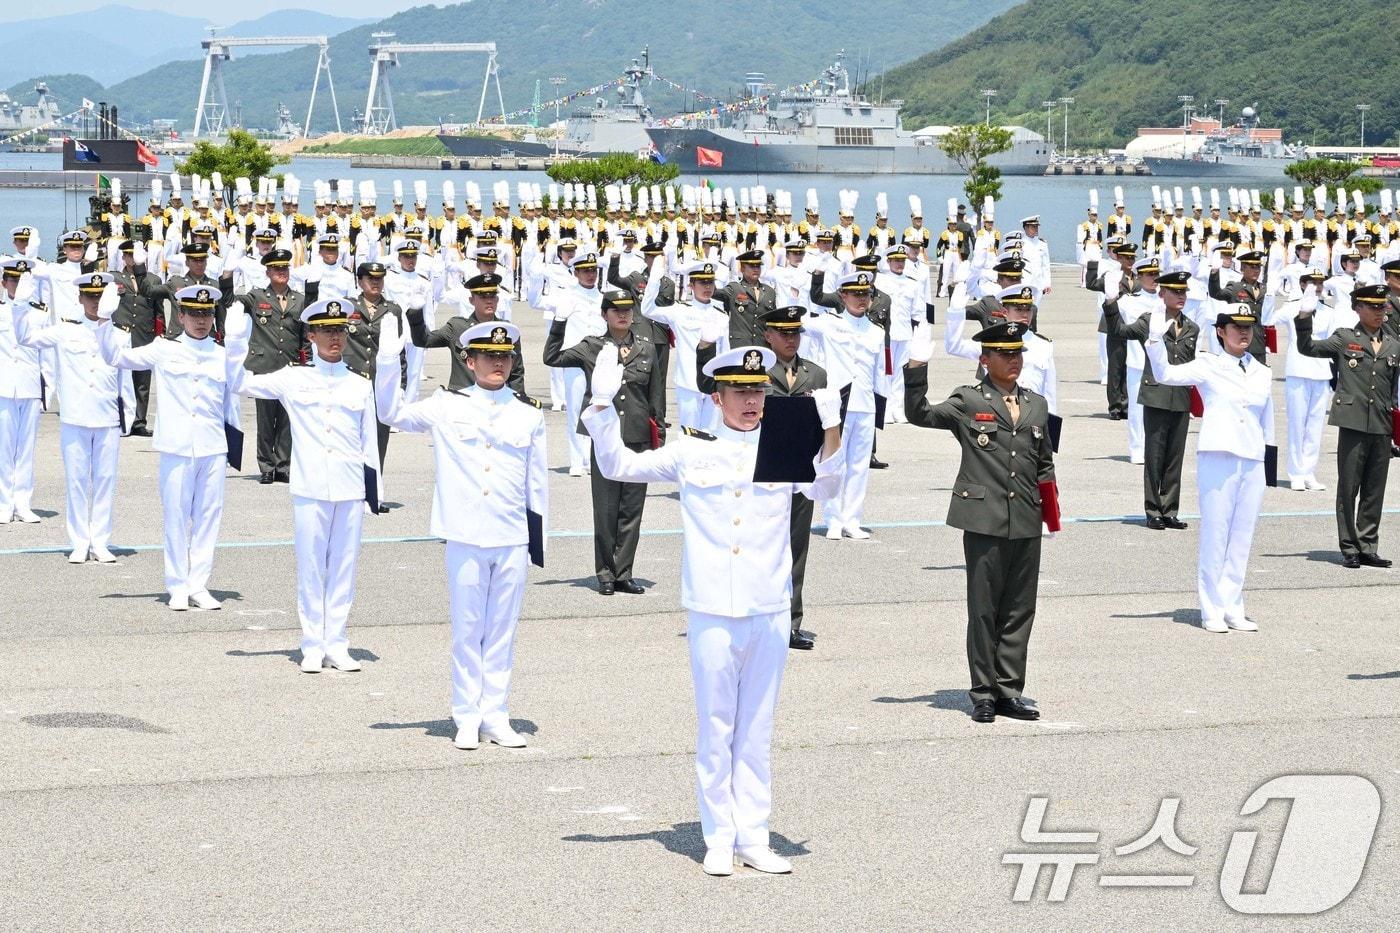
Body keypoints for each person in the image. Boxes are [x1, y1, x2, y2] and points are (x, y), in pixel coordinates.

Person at [583, 344, 843, 876]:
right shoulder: (691, 450)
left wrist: (833, 428)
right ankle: (718, 837)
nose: (751, 401)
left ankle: (754, 835)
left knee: (757, 729)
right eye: (740, 391)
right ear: (717, 397)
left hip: (768, 604)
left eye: (758, 390)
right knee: (716, 726)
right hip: (711, 607)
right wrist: (602, 403)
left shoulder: (784, 444)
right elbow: (617, 464)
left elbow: (828, 486)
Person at [375, 317, 548, 750]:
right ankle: (467, 715)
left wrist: (535, 540)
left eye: (505, 357)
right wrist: (385, 365)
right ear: (468, 361)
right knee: (468, 630)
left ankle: (497, 713)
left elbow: (537, 482)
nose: (498, 364)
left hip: (510, 535)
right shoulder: (447, 405)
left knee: (503, 631)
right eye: (489, 357)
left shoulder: (527, 413)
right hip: (466, 532)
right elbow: (390, 413)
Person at [903, 319, 1057, 722]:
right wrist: (916, 368)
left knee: (1020, 608)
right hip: (984, 517)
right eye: (1005, 355)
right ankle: (984, 693)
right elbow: (920, 414)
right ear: (985, 360)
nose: (1014, 361)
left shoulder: (1036, 404)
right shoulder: (969, 401)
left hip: (1025, 516)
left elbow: (1043, 464)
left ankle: (1009, 690)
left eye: (1018, 353)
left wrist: (1051, 514)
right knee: (985, 608)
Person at [225, 298, 379, 672]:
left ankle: (337, 642)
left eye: (339, 330)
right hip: (310, 487)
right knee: (311, 568)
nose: (334, 338)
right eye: (326, 331)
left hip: (349, 487)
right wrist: (234, 345)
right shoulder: (293, 378)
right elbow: (240, 383)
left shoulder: (358, 384)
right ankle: (312, 643)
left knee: (344, 568)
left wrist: (371, 494)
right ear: (310, 335)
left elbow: (368, 442)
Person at [97, 285, 238, 611]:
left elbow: (231, 407)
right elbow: (116, 357)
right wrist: (104, 320)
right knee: (175, 517)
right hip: (176, 446)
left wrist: (232, 449)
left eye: (206, 314)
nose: (201, 321)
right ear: (182, 315)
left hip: (213, 447)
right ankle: (177, 586)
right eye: (194, 314)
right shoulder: (164, 348)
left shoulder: (223, 356)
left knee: (207, 518)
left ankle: (198, 585)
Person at [1146, 305, 1274, 632]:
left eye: (1248, 326)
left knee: (1242, 536)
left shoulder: (1262, 371)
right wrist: (1155, 340)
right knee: (1216, 534)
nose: (1243, 333)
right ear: (1220, 331)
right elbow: (1166, 375)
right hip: (1218, 456)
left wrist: (1268, 467)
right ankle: (1211, 608)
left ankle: (1233, 604)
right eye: (1235, 326)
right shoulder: (1208, 365)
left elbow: (1267, 421)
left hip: (1252, 459)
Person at [544, 288, 664, 595]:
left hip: (638, 437)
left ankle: (624, 571)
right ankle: (606, 573)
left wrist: (658, 434)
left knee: (632, 509)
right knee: (607, 508)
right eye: (615, 310)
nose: (623, 314)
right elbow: (552, 357)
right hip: (606, 437)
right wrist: (559, 323)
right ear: (604, 314)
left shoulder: (647, 348)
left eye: (627, 310)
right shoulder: (592, 347)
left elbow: (655, 394)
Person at [13, 272, 123, 563]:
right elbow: (25, 338)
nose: (95, 301)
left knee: (104, 482)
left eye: (99, 296)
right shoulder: (65, 331)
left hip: (107, 417)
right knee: (76, 481)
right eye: (90, 296)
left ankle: (100, 540)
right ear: (80, 298)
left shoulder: (119, 333)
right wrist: (19, 306)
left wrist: (128, 416)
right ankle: (78, 541)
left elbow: (125, 379)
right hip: (75, 417)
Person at [1294, 284, 1400, 568]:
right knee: (1349, 487)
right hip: (1353, 423)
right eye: (1373, 307)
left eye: (1382, 307)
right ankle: (1349, 547)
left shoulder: (1393, 345)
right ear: (1358, 309)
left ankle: (1368, 545)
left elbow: (1392, 389)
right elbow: (1308, 347)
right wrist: (1304, 318)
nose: (1379, 312)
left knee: (1375, 489)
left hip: (1381, 423)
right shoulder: (1345, 339)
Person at [1103, 270, 1199, 529]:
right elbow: (1119, 330)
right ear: (1162, 293)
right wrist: (1111, 303)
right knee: (1154, 456)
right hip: (1155, 395)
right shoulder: (1149, 321)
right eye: (1176, 292)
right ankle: (1153, 509)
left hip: (1180, 397)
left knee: (1174, 457)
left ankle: (1170, 509)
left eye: (1184, 292)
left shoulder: (1192, 326)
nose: (1181, 296)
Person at [804, 271, 887, 539]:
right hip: (838, 404)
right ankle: (833, 519)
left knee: (860, 466)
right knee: (835, 463)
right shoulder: (829, 323)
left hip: (865, 403)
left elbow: (879, 374)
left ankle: (852, 518)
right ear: (843, 295)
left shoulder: (876, 331)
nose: (861, 299)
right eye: (855, 294)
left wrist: (880, 409)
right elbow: (795, 321)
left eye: (866, 294)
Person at [236, 249, 306, 484]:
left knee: (287, 419)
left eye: (285, 268)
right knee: (266, 419)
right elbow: (230, 302)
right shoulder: (257, 296)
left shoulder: (300, 299)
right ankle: (266, 466)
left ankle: (283, 466)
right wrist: (227, 276)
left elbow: (304, 334)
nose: (281, 272)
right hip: (264, 365)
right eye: (277, 268)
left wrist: (304, 363)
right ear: (267, 271)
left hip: (290, 365)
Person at [1266, 268, 1332, 491]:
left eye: (1320, 282)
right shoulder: (1292, 307)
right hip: (1297, 370)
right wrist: (1269, 295)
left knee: (1315, 426)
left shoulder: (1327, 311)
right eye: (1313, 282)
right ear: (1303, 284)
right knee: (1297, 423)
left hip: (1321, 371)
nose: (1318, 286)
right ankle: (1295, 472)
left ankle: (1309, 472)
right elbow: (1267, 320)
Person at [407, 272, 525, 393]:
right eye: (483, 296)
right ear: (471, 300)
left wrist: (520, 401)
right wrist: (415, 313)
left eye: (492, 296)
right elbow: (424, 340)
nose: (489, 301)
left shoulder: (507, 330)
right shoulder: (457, 327)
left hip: (495, 400)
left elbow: (516, 372)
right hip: (462, 399)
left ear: (497, 299)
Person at [0, 258, 42, 524]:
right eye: (12, 280)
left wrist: (47, 389)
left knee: (26, 448)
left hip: (29, 385)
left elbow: (47, 357)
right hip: (4, 385)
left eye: (21, 280)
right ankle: (5, 503)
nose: (16, 284)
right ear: (3, 283)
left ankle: (23, 502)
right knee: (4, 448)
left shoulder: (38, 312)